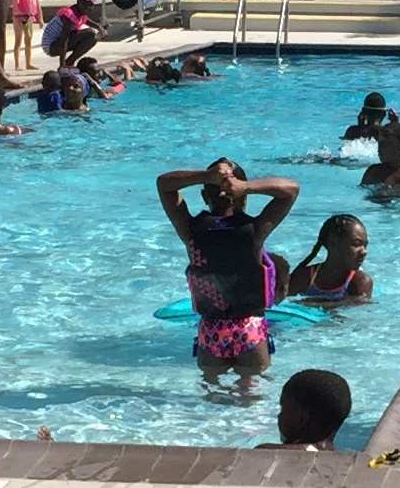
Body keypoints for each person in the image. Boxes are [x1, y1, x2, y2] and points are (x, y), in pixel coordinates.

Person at [157, 158, 299, 377]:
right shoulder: (255, 229)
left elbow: (164, 185)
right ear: (245, 197)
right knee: (253, 394)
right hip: (249, 326)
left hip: (211, 327)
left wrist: (207, 177)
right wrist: (244, 187)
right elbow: (290, 189)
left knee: (209, 392)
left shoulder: (190, 230)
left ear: (205, 196)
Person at [288, 214, 373, 302]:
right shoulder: (304, 277)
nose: (364, 252)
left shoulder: (360, 281)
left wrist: (309, 303)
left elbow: (357, 305)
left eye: (365, 245)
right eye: (356, 244)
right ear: (332, 243)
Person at [263, 369, 352, 449]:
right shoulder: (355, 461)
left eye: (283, 409)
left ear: (301, 419)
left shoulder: (265, 453)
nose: (279, 416)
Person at [9, 0, 42, 71]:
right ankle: (17, 64)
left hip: (29, 17)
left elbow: (37, 4)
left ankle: (28, 63)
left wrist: (40, 18)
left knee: (28, 41)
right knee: (18, 41)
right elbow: (16, 4)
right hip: (18, 17)